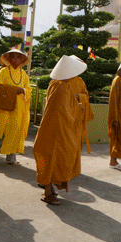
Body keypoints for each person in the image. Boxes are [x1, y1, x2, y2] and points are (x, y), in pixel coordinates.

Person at [34, 55, 89, 205]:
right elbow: (59, 110)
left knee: (60, 160)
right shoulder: (58, 85)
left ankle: (50, 187)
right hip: (55, 130)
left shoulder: (64, 84)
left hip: (65, 129)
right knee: (52, 160)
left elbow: (70, 107)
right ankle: (47, 192)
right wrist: (76, 106)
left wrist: (78, 102)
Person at [0, 49, 32, 165]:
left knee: (15, 130)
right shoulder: (4, 71)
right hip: (4, 107)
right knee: (1, 129)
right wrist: (15, 90)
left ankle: (11, 157)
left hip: (18, 107)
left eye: (18, 57)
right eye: (13, 57)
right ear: (9, 59)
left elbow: (28, 89)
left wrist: (23, 91)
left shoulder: (23, 74)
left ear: (21, 60)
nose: (15, 60)